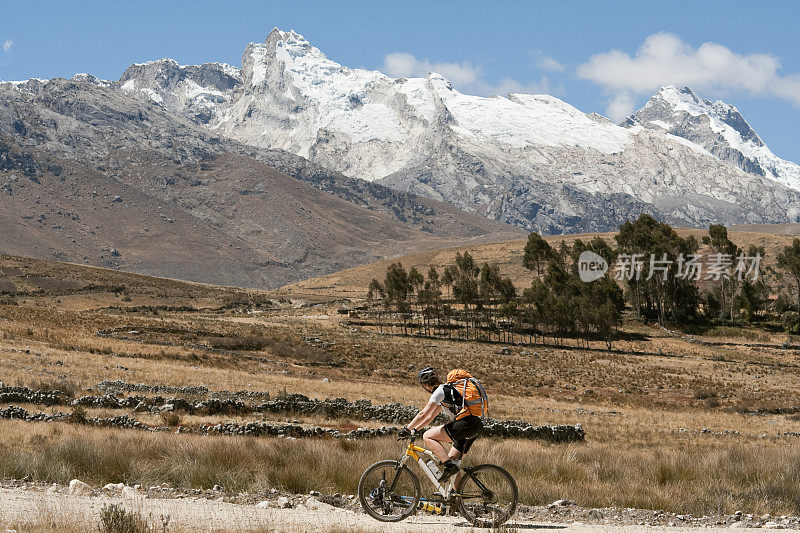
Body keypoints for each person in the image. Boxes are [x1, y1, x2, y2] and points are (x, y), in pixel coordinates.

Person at [398, 367, 484, 482]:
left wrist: (407, 428)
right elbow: (429, 417)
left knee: (427, 436)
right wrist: (416, 429)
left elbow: (423, 414)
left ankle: (448, 466)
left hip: (466, 425)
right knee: (453, 464)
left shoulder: (440, 391)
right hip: (475, 426)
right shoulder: (448, 393)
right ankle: (455, 497)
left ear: (425, 385)